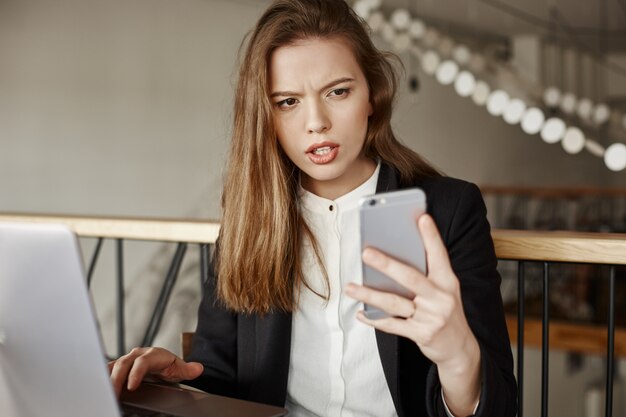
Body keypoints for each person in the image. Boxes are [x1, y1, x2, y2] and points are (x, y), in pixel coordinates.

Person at [108, 0, 517, 416]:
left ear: (373, 95)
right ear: (265, 115)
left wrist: (459, 359)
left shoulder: (450, 210)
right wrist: (178, 380)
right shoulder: (249, 218)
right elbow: (221, 376)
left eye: (337, 91)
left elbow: (500, 406)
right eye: (288, 102)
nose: (316, 121)